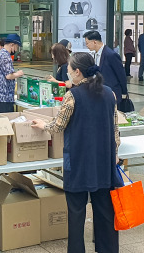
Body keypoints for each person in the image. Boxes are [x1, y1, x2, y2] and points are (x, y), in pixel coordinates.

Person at [31, 52, 122, 253]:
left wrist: (42, 124)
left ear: (78, 72)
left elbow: (58, 126)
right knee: (105, 212)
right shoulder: (109, 93)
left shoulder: (73, 96)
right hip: (103, 162)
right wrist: (115, 152)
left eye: (70, 70)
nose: (69, 74)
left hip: (79, 161)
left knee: (76, 213)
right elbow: (115, 128)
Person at [83, 31, 128, 104]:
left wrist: (124, 92)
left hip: (111, 92)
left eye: (87, 43)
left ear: (94, 42)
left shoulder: (111, 55)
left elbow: (121, 74)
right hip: (99, 92)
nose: (86, 45)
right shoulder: (96, 54)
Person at [0, 34, 24, 113]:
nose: (17, 49)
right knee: (6, 121)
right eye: (17, 47)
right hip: (4, 97)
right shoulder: (6, 56)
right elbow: (9, 75)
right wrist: (19, 73)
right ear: (12, 45)